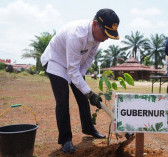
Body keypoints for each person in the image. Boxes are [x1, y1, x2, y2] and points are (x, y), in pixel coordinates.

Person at [40, 8, 120, 154]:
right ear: (95, 24)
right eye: (105, 33)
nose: (106, 38)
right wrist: (89, 93)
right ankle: (65, 140)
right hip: (56, 62)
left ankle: (88, 128)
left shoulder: (98, 38)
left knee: (83, 97)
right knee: (63, 100)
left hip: (74, 67)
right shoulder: (77, 35)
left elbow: (87, 61)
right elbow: (71, 70)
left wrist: (86, 91)